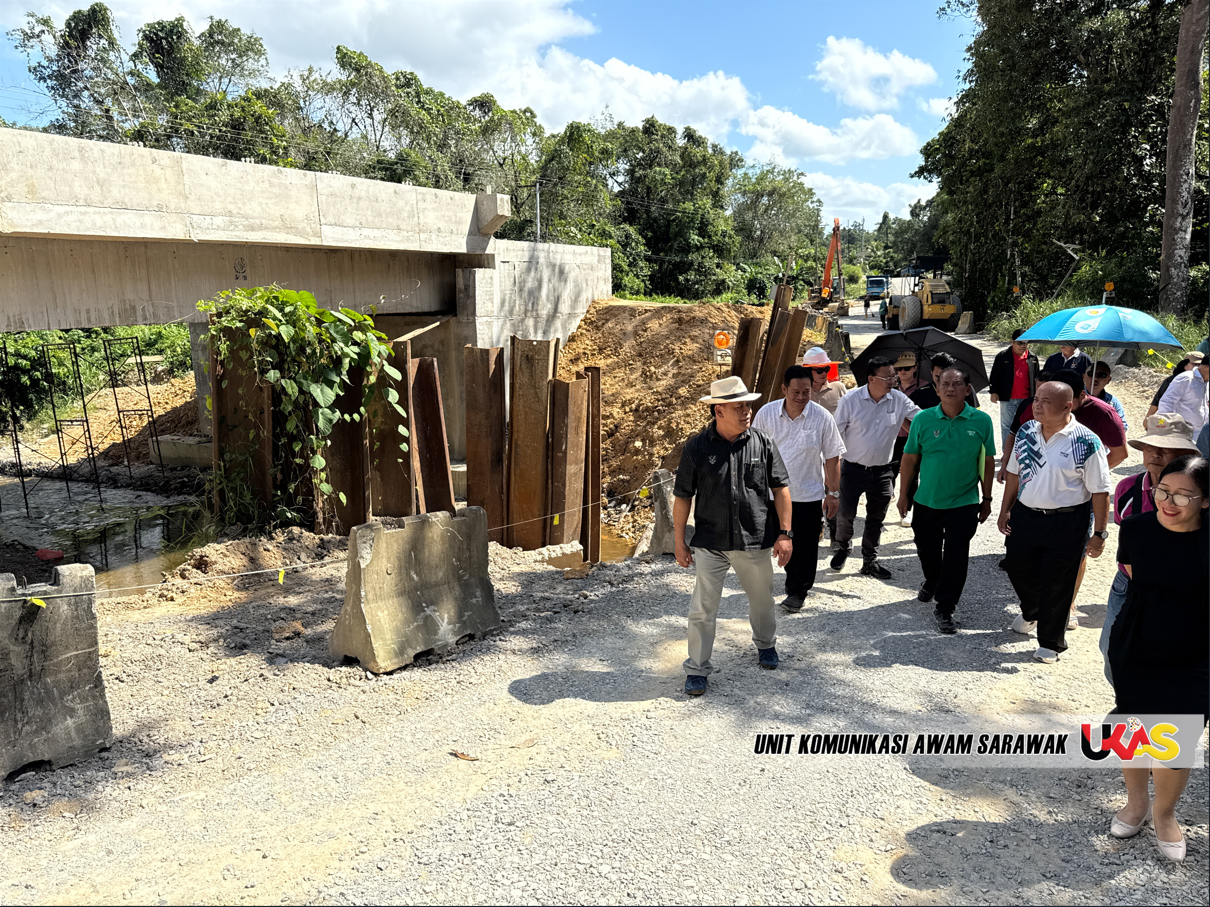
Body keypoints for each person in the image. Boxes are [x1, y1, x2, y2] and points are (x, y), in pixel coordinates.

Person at [1107, 455, 1208, 863]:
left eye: (1184, 496)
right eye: (1164, 491)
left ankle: (1165, 815)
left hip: (1197, 652)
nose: (1169, 502)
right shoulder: (1135, 529)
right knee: (1132, 725)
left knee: (1176, 741)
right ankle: (1136, 803)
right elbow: (1136, 579)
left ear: (1205, 500)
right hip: (1139, 642)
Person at [673, 376, 793, 697]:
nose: (747, 412)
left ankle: (766, 644)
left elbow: (781, 489)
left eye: (748, 406)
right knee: (702, 608)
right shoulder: (696, 448)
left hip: (754, 539)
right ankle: (697, 668)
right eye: (739, 407)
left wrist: (785, 534)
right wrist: (678, 541)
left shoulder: (763, 443)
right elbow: (683, 497)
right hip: (710, 543)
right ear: (719, 411)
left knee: (762, 600)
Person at [997, 381, 1111, 663]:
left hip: (1067, 521)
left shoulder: (1087, 442)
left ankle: (1050, 642)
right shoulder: (1026, 431)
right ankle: (1033, 609)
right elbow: (1014, 473)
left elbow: (1100, 491)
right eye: (1036, 399)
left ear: (1067, 406)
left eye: (1045, 401)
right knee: (1016, 566)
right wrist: (1005, 509)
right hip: (1026, 515)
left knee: (1058, 581)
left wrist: (1099, 533)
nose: (1037, 406)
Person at [1099, 413, 1200, 684]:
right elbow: (1126, 543)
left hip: (1182, 590)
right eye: (1149, 446)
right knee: (1112, 652)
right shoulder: (1126, 489)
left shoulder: (1201, 493)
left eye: (1165, 448)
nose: (1154, 454)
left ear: (1185, 453)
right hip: (1129, 585)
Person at [896, 366, 996, 634]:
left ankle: (945, 607)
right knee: (926, 549)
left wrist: (987, 498)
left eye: (957, 384)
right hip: (926, 500)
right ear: (937, 389)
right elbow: (910, 458)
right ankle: (932, 580)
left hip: (964, 502)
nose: (950, 388)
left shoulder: (982, 421)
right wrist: (904, 494)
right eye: (945, 384)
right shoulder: (923, 419)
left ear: (967, 389)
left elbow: (987, 461)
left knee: (956, 555)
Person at [753, 365, 843, 611]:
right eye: (796, 392)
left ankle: (797, 591)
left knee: (804, 546)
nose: (802, 397)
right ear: (784, 389)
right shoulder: (766, 414)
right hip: (771, 494)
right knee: (772, 542)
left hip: (807, 495)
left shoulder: (822, 417)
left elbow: (832, 457)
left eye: (806, 392)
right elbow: (754, 452)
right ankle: (769, 585)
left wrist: (833, 493)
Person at [831, 356, 921, 579]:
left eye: (894, 376)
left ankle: (870, 560)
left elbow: (921, 418)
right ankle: (843, 547)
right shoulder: (850, 400)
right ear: (871, 379)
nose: (893, 380)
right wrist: (832, 468)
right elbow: (835, 434)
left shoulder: (898, 399)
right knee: (845, 514)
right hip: (852, 469)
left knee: (876, 518)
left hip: (883, 471)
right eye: (887, 377)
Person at [989, 329, 1039, 447]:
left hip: (1027, 399)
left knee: (1027, 424)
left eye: (1025, 343)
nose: (1023, 346)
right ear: (1012, 342)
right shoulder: (1002, 356)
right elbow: (994, 375)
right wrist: (993, 392)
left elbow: (1037, 378)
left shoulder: (1033, 358)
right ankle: (1007, 452)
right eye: (1020, 343)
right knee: (1007, 426)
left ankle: (1024, 451)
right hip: (1008, 398)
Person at [908, 352, 980, 410]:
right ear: (931, 371)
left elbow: (976, 414)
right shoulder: (920, 393)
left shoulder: (963, 389)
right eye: (937, 377)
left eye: (945, 378)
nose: (941, 381)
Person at [1157, 354, 1209, 434]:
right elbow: (1166, 402)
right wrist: (1167, 428)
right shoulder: (1187, 378)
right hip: (1181, 433)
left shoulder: (1206, 383)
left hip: (1200, 433)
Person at [1146, 353, 1201, 418]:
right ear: (1185, 364)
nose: (1198, 368)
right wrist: (1148, 418)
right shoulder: (1172, 380)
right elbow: (1158, 400)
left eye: (1201, 365)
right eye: (1195, 364)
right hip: (1174, 419)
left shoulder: (1204, 382)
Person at [802, 347, 846, 416]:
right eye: (819, 370)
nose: (824, 373)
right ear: (808, 371)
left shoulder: (838, 388)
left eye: (826, 369)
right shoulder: (800, 392)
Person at [1084, 361, 1128, 430]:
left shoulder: (1113, 402)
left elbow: (1123, 426)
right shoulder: (1074, 397)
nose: (1095, 378)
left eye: (1101, 375)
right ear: (1084, 377)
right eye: (1091, 374)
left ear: (1108, 380)